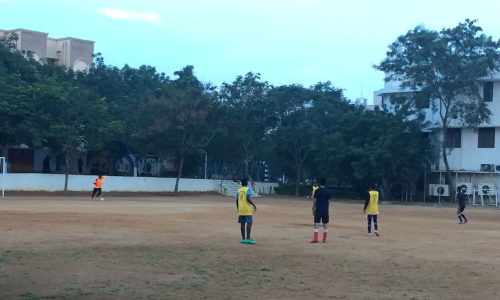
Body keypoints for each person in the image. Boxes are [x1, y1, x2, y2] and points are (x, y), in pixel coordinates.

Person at [235, 178, 257, 244]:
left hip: (241, 209)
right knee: (249, 223)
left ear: (241, 183)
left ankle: (243, 239)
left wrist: (238, 208)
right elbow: (248, 198)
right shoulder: (248, 189)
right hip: (246, 209)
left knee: (242, 223)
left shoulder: (238, 190)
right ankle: (248, 238)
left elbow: (236, 200)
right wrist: (253, 205)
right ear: (247, 183)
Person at [310, 177, 331, 243]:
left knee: (316, 222)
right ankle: (324, 239)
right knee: (325, 223)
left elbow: (315, 200)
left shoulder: (317, 191)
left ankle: (316, 238)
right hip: (325, 209)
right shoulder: (328, 191)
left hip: (318, 208)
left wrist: (313, 208)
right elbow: (328, 201)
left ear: (319, 183)